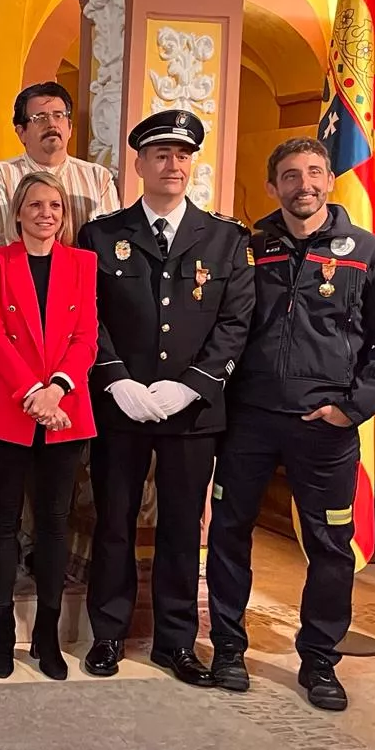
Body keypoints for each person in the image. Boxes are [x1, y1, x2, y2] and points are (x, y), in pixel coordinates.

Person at [206, 137, 375, 712]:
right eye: (291, 175)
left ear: (330, 179)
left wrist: (351, 408)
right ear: (273, 185)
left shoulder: (373, 256)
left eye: (315, 172)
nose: (305, 185)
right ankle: (227, 648)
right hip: (248, 420)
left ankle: (320, 660)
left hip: (325, 428)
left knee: (329, 545)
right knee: (227, 534)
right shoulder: (248, 250)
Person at [77, 110, 254, 684]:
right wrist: (115, 378)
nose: (171, 164)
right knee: (114, 523)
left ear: (192, 163)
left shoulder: (228, 239)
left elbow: (236, 322)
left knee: (182, 528)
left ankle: (176, 643)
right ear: (139, 164)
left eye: (181, 155)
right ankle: (107, 634)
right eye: (160, 154)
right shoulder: (102, 234)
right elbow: (89, 315)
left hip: (192, 413)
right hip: (121, 407)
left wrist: (192, 385)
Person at [0, 171, 97, 681]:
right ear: (18, 211)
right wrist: (32, 393)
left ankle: (46, 636)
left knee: (53, 525)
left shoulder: (83, 263)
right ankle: (3, 633)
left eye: (56, 207)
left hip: (65, 409)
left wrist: (56, 390)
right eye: (36, 205)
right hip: (8, 406)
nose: (47, 214)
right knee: (1, 525)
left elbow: (86, 335)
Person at [0, 81, 119, 250]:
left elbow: (108, 247)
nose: (51, 124)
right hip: (19, 275)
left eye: (59, 115)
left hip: (86, 275)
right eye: (40, 118)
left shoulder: (98, 177)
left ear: (70, 127)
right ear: (22, 133)